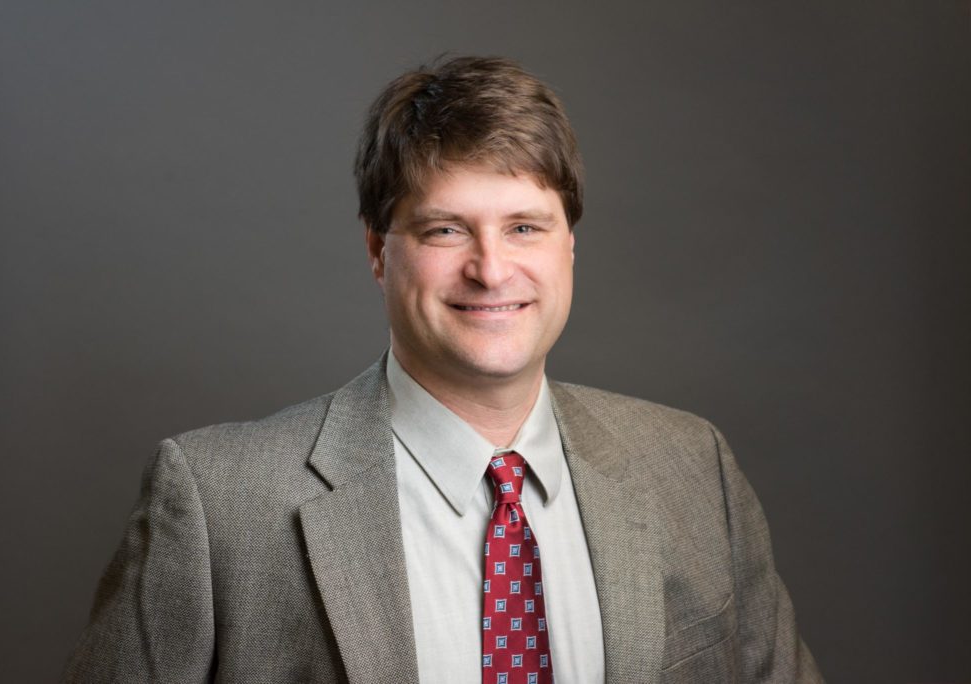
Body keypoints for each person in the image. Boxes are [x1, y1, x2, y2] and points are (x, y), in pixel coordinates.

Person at [63, 56, 823, 683]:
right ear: (376, 252)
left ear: (569, 246)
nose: (492, 270)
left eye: (525, 227)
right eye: (446, 229)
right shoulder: (219, 505)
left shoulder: (693, 469)